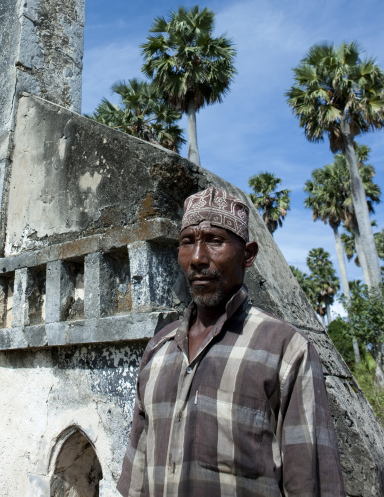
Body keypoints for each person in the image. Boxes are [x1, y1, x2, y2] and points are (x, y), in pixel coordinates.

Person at [117, 186, 345, 497]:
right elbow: (137, 480)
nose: (197, 258)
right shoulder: (158, 350)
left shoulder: (285, 350)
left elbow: (310, 485)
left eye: (214, 240)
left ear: (248, 255)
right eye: (187, 243)